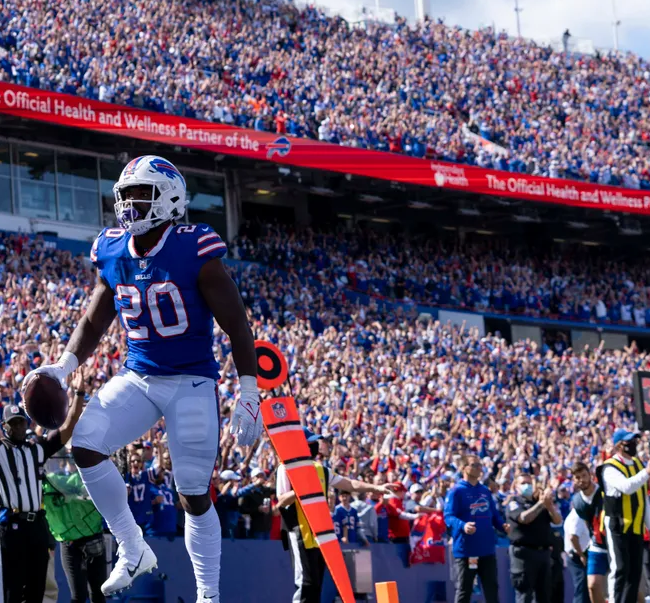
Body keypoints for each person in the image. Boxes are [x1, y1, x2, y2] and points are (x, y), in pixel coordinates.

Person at [22, 156, 263, 603]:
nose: (131, 204)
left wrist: (248, 390)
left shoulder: (194, 247)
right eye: (126, 194)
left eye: (141, 194)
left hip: (191, 379)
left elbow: (238, 325)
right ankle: (133, 548)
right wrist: (62, 366)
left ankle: (208, 595)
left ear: (169, 199)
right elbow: (95, 321)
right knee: (85, 445)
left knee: (192, 491)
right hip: (139, 375)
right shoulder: (112, 248)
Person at [0, 375, 87, 603]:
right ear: (5, 426)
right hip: (13, 524)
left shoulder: (36, 449)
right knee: (13, 588)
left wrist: (78, 394)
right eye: (14, 423)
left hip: (36, 523)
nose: (19, 426)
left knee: (37, 587)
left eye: (22, 422)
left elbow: (67, 428)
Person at [275, 430, 393, 603]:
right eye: (310, 443)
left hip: (319, 533)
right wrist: (301, 488)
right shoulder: (285, 468)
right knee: (305, 583)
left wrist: (376, 488)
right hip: (298, 531)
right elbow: (281, 500)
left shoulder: (321, 470)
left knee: (317, 583)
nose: (315, 447)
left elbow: (350, 483)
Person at [598, 430, 650, 603]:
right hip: (617, 525)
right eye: (628, 441)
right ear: (618, 445)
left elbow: (643, 496)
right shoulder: (609, 467)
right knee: (620, 568)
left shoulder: (637, 463)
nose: (633, 444)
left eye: (634, 441)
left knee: (635, 571)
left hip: (636, 525)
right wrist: (647, 472)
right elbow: (627, 486)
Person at [445, 454, 507, 603]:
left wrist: (502, 525)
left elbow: (493, 515)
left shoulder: (484, 491)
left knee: (492, 590)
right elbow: (448, 517)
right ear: (464, 468)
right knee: (464, 590)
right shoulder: (456, 491)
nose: (479, 468)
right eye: (474, 465)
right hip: (467, 551)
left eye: (480, 465)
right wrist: (463, 525)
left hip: (487, 550)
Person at [43, 469, 107, 603]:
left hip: (89, 538)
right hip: (72, 542)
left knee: (96, 592)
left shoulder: (87, 477)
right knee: (82, 594)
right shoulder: (49, 480)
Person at [505, 468, 563, 603]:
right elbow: (524, 518)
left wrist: (549, 506)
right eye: (523, 483)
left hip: (542, 553)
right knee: (524, 595)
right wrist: (541, 504)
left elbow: (557, 520)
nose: (527, 486)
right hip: (523, 554)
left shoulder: (540, 502)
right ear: (516, 486)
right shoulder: (514, 503)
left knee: (544, 595)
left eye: (529, 483)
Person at [570, 462, 608, 603]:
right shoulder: (577, 501)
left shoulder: (604, 491)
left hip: (615, 542)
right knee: (592, 585)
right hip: (597, 544)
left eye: (584, 475)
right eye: (577, 477)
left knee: (629, 588)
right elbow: (587, 523)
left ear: (590, 475)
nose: (582, 480)